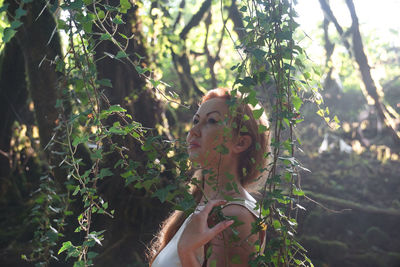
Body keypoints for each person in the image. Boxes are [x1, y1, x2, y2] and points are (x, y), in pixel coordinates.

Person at [148, 88, 270, 266]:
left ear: (240, 142)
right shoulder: (199, 206)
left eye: (211, 121)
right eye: (196, 121)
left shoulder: (236, 216)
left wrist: (187, 252)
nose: (194, 131)